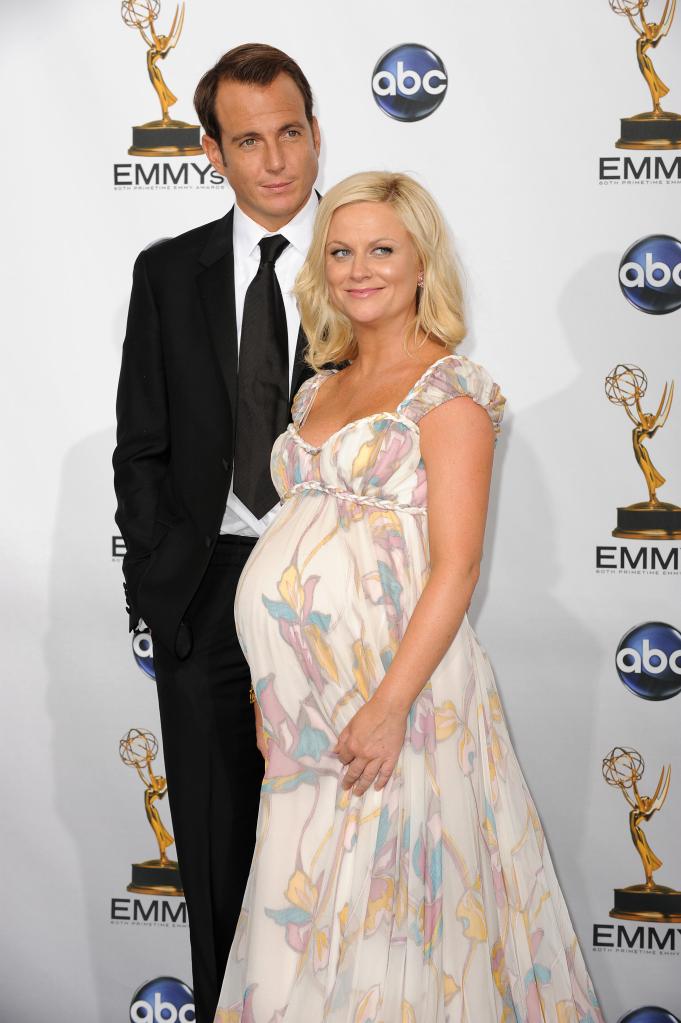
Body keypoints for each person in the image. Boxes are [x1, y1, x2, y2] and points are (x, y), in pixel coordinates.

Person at [214, 172, 604, 1022]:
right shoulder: (318, 387)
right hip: (301, 715)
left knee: (401, 923)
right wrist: (265, 686)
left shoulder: (451, 391)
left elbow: (456, 568)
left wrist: (390, 705)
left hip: (403, 700)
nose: (359, 269)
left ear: (422, 262)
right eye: (341, 251)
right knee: (304, 910)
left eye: (381, 249)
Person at [112, 44, 321, 1023]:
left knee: (332, 864)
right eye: (249, 141)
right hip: (207, 597)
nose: (275, 160)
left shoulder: (366, 263)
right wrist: (162, 590)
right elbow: (141, 447)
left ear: (315, 133)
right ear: (211, 151)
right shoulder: (166, 273)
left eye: (290, 133)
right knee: (217, 863)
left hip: (334, 604)